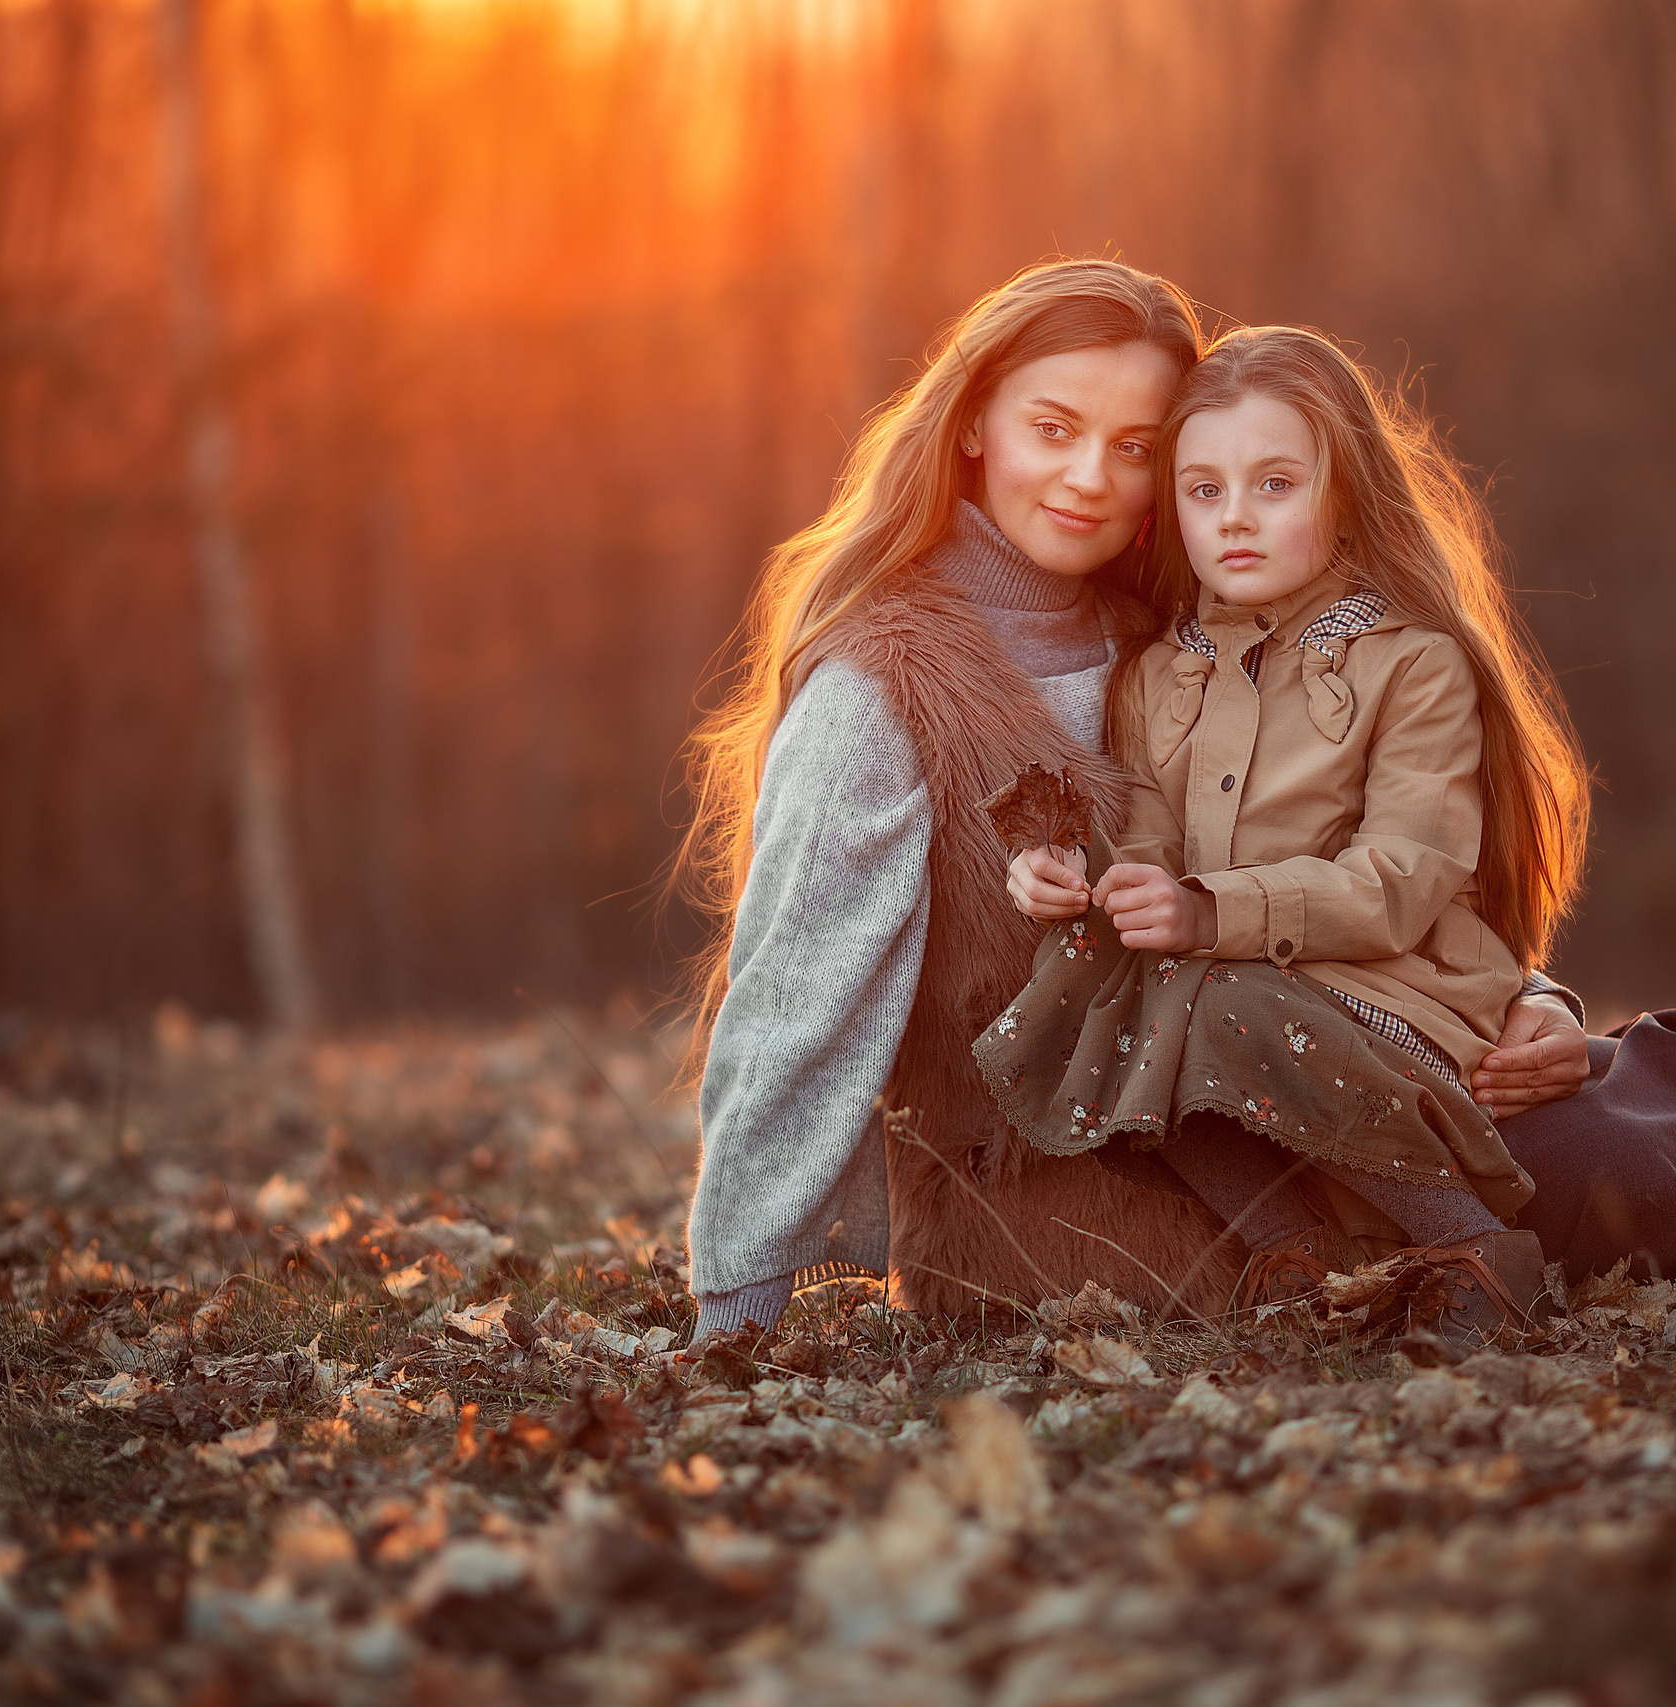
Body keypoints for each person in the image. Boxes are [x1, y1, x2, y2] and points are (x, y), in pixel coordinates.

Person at [675, 261, 1613, 1335]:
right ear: (974, 422)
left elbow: (1352, 859)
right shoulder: (879, 688)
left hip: (1309, 1121)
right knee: (1573, 1192)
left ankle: (1489, 1233)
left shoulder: (1172, 642)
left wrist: (1527, 1002)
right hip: (1069, 1228)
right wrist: (733, 1315)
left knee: (1628, 1127)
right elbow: (795, 1014)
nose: (1088, 478)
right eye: (1055, 427)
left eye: (1134, 450)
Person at [979, 327, 1584, 1331]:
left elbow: (1401, 877)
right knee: (1088, 989)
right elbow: (1152, 850)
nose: (1235, 520)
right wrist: (1075, 878)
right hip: (1228, 988)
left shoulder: (1410, 664)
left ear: (1342, 492)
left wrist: (1207, 913)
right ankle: (1287, 1255)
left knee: (1203, 998)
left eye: (1274, 485)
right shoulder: (1156, 676)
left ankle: (1473, 1244)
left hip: (1388, 991)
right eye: (1204, 490)